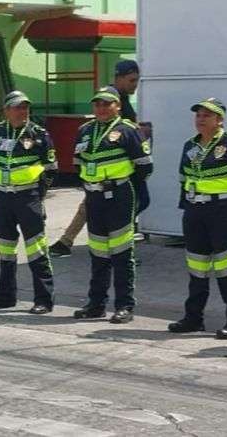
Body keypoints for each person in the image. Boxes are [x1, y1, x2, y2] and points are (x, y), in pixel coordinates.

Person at [168, 98, 227, 339]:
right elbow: (183, 180)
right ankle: (193, 318)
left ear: (219, 120)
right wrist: (188, 206)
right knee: (197, 267)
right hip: (195, 212)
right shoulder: (189, 146)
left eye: (207, 115)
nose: (201, 119)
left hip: (222, 211)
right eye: (198, 115)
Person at [72, 86, 152, 324]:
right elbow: (78, 163)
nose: (102, 108)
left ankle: (124, 306)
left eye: (107, 104)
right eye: (98, 104)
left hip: (120, 195)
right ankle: (96, 304)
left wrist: (122, 187)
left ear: (117, 106)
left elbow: (144, 167)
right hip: (94, 198)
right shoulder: (84, 131)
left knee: (121, 253)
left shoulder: (128, 131)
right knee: (97, 252)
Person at [49, 60, 142, 258]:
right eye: (132, 80)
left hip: (117, 170)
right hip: (106, 171)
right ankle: (118, 247)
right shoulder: (112, 97)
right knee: (95, 206)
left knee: (93, 206)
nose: (135, 84)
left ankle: (67, 241)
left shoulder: (123, 98)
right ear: (120, 78)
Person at [0, 91, 56, 313]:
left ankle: (43, 299)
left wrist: (38, 194)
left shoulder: (38, 134)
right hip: (2, 198)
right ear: (6, 110)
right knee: (6, 249)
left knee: (36, 249)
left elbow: (51, 169)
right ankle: (5, 297)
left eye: (25, 107)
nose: (23, 111)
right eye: (17, 107)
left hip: (28, 198)